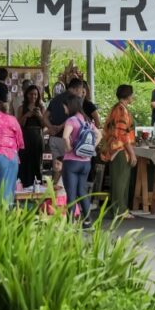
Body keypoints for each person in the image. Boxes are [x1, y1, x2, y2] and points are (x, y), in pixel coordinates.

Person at [100, 84, 138, 218]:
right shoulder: (122, 110)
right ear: (128, 96)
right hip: (120, 149)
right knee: (120, 181)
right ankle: (119, 210)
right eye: (132, 94)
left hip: (116, 148)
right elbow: (122, 134)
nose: (133, 97)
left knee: (120, 180)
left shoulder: (116, 108)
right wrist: (132, 153)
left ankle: (119, 208)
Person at [61, 95, 100, 223]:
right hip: (86, 162)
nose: (64, 109)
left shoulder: (71, 120)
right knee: (82, 191)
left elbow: (66, 136)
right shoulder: (87, 121)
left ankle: (70, 222)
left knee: (71, 193)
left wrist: (68, 149)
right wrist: (92, 148)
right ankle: (88, 221)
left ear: (70, 106)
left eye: (65, 106)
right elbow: (99, 134)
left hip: (71, 162)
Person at [15, 84, 50, 188]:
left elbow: (44, 125)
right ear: (26, 95)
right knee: (25, 161)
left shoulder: (42, 107)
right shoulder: (22, 108)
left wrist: (39, 116)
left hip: (37, 137)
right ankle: (24, 184)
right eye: (31, 94)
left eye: (35, 94)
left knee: (36, 161)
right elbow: (18, 124)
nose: (33, 96)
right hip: (25, 136)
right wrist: (27, 115)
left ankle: (37, 185)